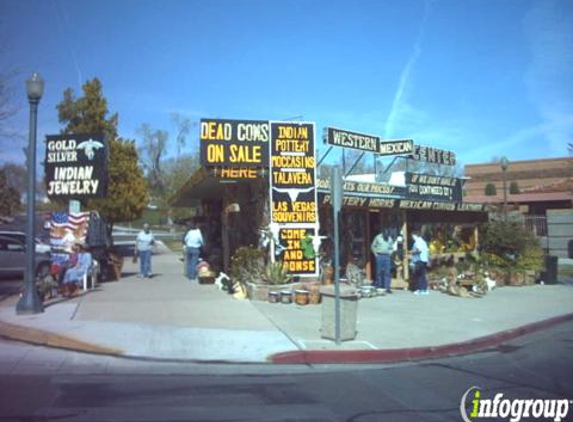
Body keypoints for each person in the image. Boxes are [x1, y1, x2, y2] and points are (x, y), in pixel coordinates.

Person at [371, 229, 394, 293]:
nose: (387, 236)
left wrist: (390, 253)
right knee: (379, 271)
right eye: (385, 235)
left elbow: (392, 247)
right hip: (379, 255)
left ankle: (387, 287)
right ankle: (379, 286)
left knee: (387, 272)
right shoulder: (378, 237)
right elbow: (373, 246)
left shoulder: (389, 239)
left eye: (388, 235)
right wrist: (375, 254)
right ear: (383, 234)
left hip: (387, 256)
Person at [411, 230, 429, 295]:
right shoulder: (424, 242)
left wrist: (412, 252)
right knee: (422, 275)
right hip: (424, 260)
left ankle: (418, 289)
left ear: (415, 235)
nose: (412, 237)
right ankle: (424, 289)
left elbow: (419, 250)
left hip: (419, 259)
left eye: (412, 236)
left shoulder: (418, 242)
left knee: (416, 275)